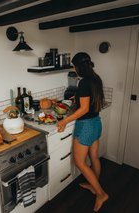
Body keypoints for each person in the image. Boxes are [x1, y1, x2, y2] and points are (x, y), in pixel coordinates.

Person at [57, 52, 108, 212]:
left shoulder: (84, 82)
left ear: (79, 67)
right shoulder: (96, 78)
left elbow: (84, 108)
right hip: (96, 123)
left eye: (74, 66)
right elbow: (90, 102)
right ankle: (94, 185)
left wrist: (64, 120)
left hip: (85, 126)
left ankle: (100, 193)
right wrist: (77, 99)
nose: (74, 68)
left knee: (80, 162)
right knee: (93, 157)